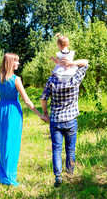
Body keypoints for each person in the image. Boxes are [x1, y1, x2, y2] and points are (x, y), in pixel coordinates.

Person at [0, 53, 50, 186]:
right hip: (13, 112)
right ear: (10, 63)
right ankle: (9, 176)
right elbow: (26, 100)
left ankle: (3, 173)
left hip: (2, 112)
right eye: (17, 61)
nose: (18, 64)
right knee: (12, 144)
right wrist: (40, 115)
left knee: (4, 143)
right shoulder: (16, 79)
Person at [41, 58, 89, 187]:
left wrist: (45, 113)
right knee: (70, 150)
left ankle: (58, 177)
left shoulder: (51, 80)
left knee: (56, 149)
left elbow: (43, 98)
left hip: (56, 120)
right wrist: (72, 63)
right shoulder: (75, 78)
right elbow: (85, 63)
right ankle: (70, 175)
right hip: (70, 120)